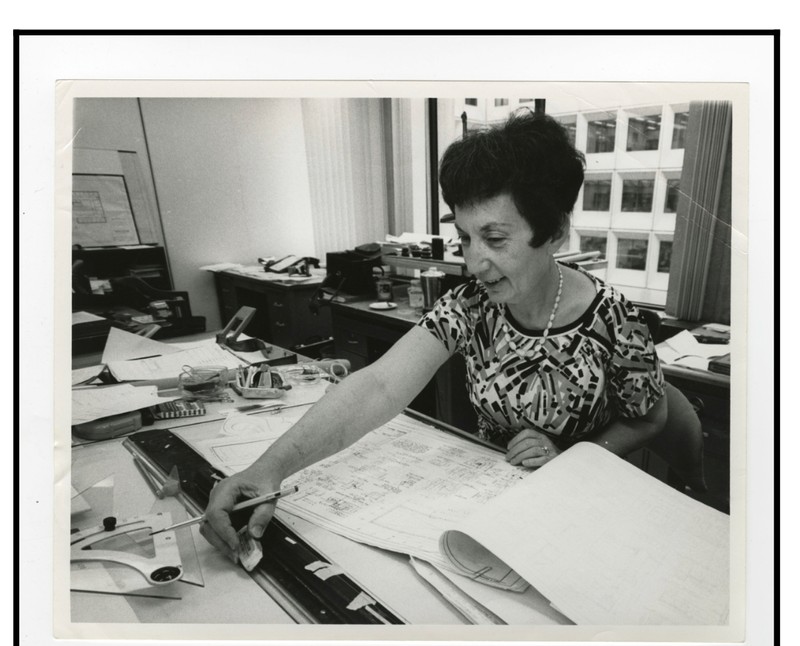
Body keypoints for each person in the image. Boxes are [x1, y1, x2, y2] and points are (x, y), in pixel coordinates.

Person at [202, 111, 670, 558]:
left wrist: (570, 455)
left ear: (554, 233)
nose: (474, 262)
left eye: (496, 239)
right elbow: (380, 385)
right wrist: (267, 471)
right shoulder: (471, 306)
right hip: (492, 504)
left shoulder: (616, 320)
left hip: (577, 514)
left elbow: (650, 420)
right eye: (465, 237)